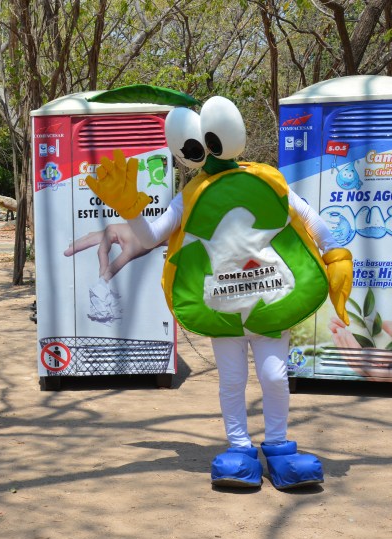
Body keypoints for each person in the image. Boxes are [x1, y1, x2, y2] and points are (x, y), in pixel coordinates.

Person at [86, 94, 353, 490]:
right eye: (197, 148)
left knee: (274, 376)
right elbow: (151, 236)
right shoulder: (191, 195)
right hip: (222, 306)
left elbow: (307, 217)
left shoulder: (267, 178)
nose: (207, 154)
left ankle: (277, 446)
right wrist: (131, 210)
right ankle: (240, 447)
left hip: (271, 299)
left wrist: (335, 254)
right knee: (231, 380)